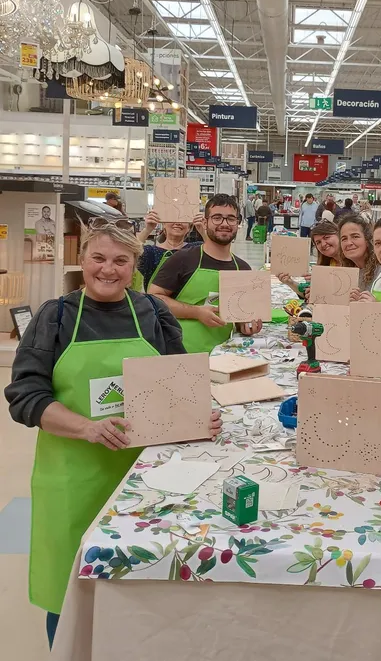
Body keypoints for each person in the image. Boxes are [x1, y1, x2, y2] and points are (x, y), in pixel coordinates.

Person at [4, 219, 222, 648]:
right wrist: (86, 427)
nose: (108, 269)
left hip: (145, 479)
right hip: (73, 478)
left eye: (121, 260)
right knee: (68, 591)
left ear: (134, 265)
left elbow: (177, 382)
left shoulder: (153, 312)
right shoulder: (55, 316)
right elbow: (25, 396)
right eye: (98, 258)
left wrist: (197, 417)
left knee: (140, 586)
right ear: (82, 259)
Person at [149, 194, 261, 352]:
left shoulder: (242, 269)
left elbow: (239, 316)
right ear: (205, 222)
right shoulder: (183, 259)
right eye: (217, 218)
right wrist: (196, 312)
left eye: (231, 218)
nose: (224, 224)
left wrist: (246, 325)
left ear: (237, 223)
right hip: (181, 353)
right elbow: (153, 299)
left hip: (224, 355)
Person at [136, 211, 205, 291]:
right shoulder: (150, 252)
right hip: (156, 298)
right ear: (164, 224)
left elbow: (214, 251)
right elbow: (131, 252)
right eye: (173, 218)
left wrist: (203, 231)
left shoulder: (196, 248)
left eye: (183, 220)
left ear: (189, 228)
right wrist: (148, 229)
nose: (178, 223)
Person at [337, 214, 381, 293]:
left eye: (355, 236)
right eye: (344, 239)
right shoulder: (346, 273)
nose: (349, 243)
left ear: (367, 240)